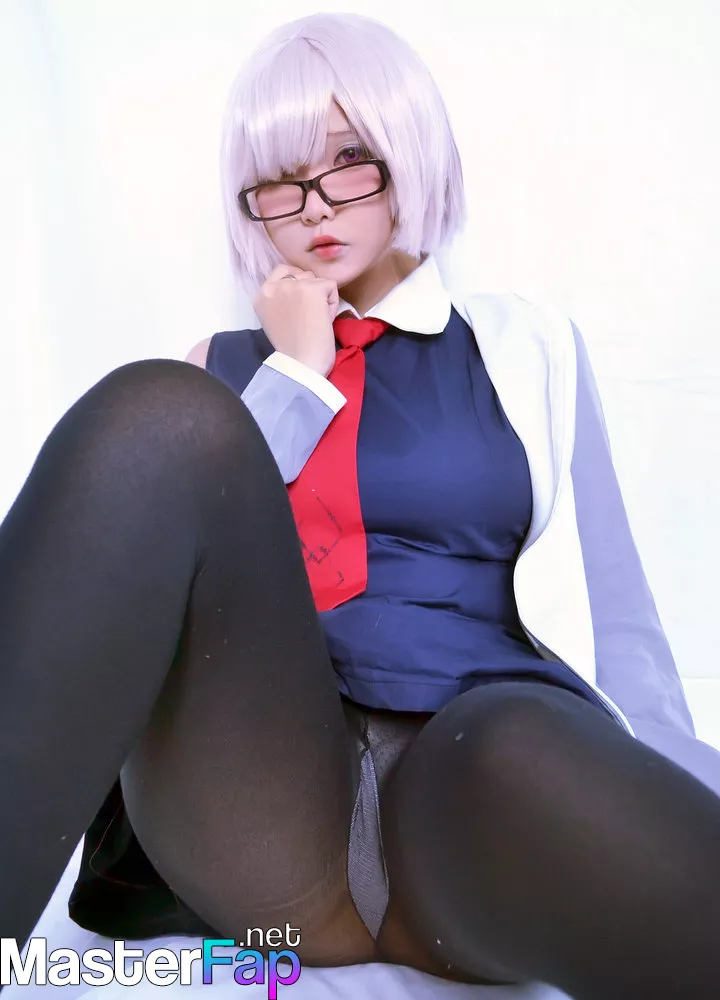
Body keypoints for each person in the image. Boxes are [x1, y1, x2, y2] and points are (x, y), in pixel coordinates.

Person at [1, 11, 720, 998]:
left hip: (478, 778)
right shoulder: (222, 374)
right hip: (269, 799)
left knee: (530, 749)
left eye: (347, 160)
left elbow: (619, 620)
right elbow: (183, 578)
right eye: (279, 178)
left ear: (407, 150)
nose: (313, 206)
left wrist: (672, 782)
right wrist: (298, 372)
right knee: (158, 413)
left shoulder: (528, 346)